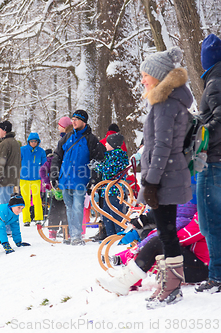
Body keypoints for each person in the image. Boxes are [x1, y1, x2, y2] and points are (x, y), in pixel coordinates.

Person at [137, 46, 193, 308]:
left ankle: (172, 287)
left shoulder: (165, 105)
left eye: (145, 75)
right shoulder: (169, 102)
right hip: (169, 175)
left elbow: (161, 147)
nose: (142, 80)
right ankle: (169, 283)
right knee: (166, 231)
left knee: (167, 232)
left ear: (158, 76)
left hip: (164, 178)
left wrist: (151, 182)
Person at [97, 213, 209, 297]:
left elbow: (186, 236)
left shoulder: (208, 215)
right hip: (199, 265)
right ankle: (128, 278)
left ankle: (125, 280)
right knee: (158, 242)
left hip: (204, 270)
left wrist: (158, 237)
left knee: (158, 242)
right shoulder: (205, 211)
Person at [50, 110, 105, 245]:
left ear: (83, 122)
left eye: (77, 119)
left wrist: (94, 179)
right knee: (69, 207)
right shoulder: (67, 137)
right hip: (65, 179)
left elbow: (99, 160)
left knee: (77, 207)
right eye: (72, 119)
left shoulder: (91, 140)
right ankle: (72, 234)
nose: (73, 122)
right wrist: (54, 175)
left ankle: (76, 236)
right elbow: (57, 155)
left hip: (81, 180)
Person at [196, 34, 221, 293]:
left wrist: (201, 137)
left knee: (210, 222)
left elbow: (219, 121)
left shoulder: (215, 82)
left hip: (213, 162)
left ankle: (217, 276)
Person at [40, 117, 71, 238]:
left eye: (59, 125)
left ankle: (64, 230)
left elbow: (43, 170)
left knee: (63, 209)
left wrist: (48, 182)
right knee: (58, 209)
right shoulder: (52, 159)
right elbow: (43, 170)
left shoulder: (66, 140)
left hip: (63, 184)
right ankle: (56, 230)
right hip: (57, 186)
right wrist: (48, 182)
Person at [93, 133, 129, 236]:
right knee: (107, 214)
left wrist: (97, 167)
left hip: (114, 190)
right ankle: (111, 235)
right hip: (108, 190)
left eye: (107, 143)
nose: (105, 145)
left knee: (115, 214)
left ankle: (119, 235)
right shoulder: (111, 155)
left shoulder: (118, 156)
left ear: (113, 144)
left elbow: (110, 170)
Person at [0, 121, 21, 204]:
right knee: (12, 206)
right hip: (13, 180)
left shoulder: (4, 144)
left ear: (4, 131)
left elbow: (0, 164)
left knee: (5, 206)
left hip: (5, 180)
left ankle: (6, 217)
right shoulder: (15, 143)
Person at [20, 132, 46, 226]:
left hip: (36, 178)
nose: (33, 143)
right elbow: (17, 162)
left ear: (38, 142)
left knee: (37, 199)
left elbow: (44, 165)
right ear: (28, 141)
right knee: (25, 200)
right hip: (24, 178)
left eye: (35, 141)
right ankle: (26, 219)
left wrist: (44, 175)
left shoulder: (41, 151)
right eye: (31, 141)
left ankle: (38, 218)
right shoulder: (22, 150)